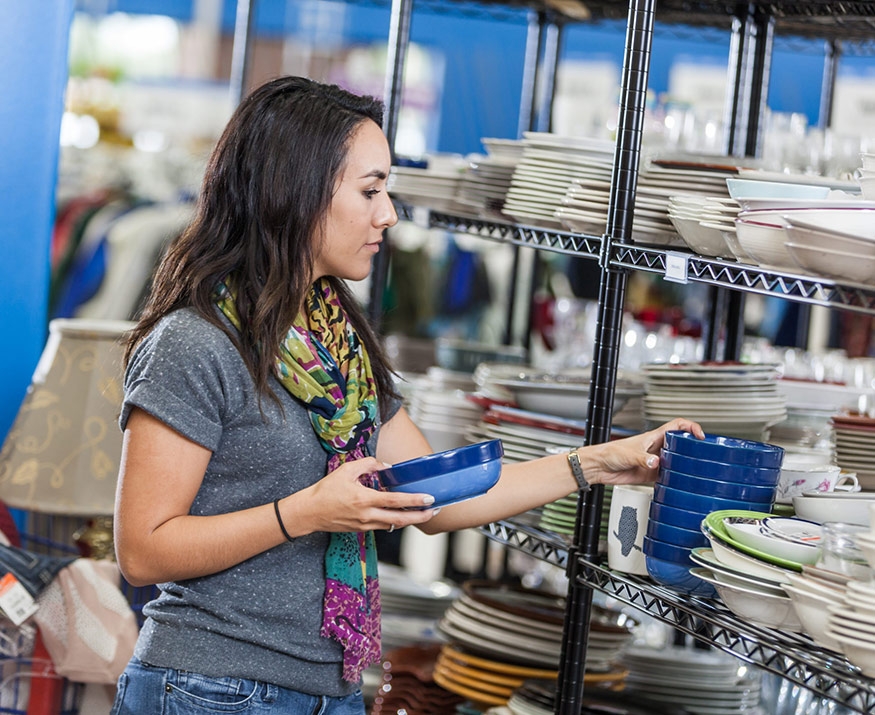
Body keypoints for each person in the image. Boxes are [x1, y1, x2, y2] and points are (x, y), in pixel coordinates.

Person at [110, 75, 704, 715]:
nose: (388, 213)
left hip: (327, 693)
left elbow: (436, 500)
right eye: (370, 191)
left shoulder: (338, 342)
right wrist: (304, 513)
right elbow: (142, 551)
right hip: (209, 689)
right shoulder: (196, 343)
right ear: (295, 193)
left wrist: (596, 463)